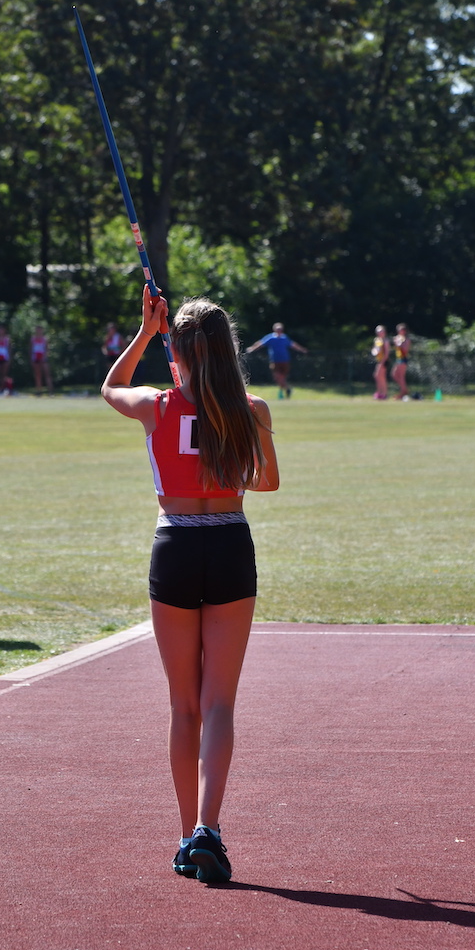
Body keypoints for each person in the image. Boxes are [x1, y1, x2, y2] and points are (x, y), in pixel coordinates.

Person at [102, 287, 280, 883]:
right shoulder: (251, 408)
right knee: (218, 702)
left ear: (176, 349)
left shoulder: (156, 405)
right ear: (228, 349)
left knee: (184, 703)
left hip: (175, 546)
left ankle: (186, 838)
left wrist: (144, 334)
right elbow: (268, 482)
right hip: (230, 544)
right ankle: (209, 828)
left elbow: (110, 387)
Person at [246, 322, 307, 398]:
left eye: (280, 329)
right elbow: (260, 343)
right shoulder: (271, 338)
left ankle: (283, 391)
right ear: (274, 329)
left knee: (283, 377)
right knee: (277, 376)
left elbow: (293, 345)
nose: (279, 331)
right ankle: (287, 388)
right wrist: (252, 348)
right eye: (278, 329)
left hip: (285, 360)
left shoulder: (284, 338)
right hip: (275, 361)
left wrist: (302, 350)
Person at [30, 325, 53, 393]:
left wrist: (44, 357)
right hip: (35, 358)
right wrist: (32, 359)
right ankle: (39, 391)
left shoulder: (45, 339)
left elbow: (47, 349)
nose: (39, 331)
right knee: (38, 375)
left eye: (40, 330)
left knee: (47, 374)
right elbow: (31, 349)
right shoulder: (33, 339)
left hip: (43, 358)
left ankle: (51, 391)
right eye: (37, 329)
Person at [391, 323, 410, 400]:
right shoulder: (398, 338)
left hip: (403, 358)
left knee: (401, 376)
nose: (400, 331)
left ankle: (403, 393)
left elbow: (405, 350)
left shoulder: (406, 339)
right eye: (399, 330)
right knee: (394, 375)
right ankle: (404, 389)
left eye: (402, 330)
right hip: (398, 358)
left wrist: (401, 344)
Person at [371, 325, 390, 400]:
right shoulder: (377, 340)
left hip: (384, 361)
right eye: (378, 331)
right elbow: (375, 349)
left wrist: (382, 362)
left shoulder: (385, 341)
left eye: (381, 331)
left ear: (384, 332)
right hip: (379, 360)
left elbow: (387, 353)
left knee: (380, 376)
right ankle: (380, 393)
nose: (379, 333)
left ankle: (384, 393)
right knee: (378, 376)